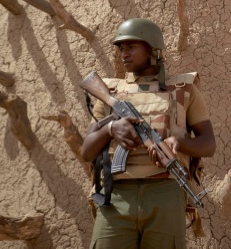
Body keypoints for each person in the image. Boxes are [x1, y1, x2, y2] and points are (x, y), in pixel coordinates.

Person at [81, 18, 216, 249]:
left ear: (152, 49)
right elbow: (87, 151)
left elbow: (208, 144)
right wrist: (112, 128)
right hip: (116, 196)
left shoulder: (183, 90)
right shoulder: (111, 92)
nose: (124, 54)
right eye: (122, 48)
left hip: (165, 193)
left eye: (131, 47)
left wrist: (177, 143)